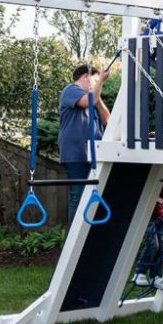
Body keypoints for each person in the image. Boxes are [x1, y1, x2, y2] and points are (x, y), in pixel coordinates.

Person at [58, 64, 110, 222]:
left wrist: (96, 95)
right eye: (94, 80)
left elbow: (107, 120)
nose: (97, 84)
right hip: (76, 154)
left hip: (92, 154)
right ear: (86, 77)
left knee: (94, 197)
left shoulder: (91, 98)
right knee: (78, 196)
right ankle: (71, 243)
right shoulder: (71, 90)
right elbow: (88, 102)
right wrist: (99, 82)